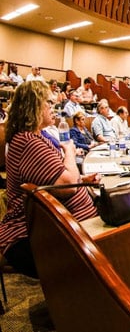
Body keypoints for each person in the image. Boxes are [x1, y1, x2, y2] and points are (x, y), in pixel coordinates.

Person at [0, 81, 98, 277]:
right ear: (33, 106)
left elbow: (52, 176)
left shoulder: (37, 136)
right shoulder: (28, 142)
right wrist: (69, 151)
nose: (54, 109)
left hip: (61, 224)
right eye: (49, 103)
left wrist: (81, 178)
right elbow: (67, 186)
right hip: (35, 234)